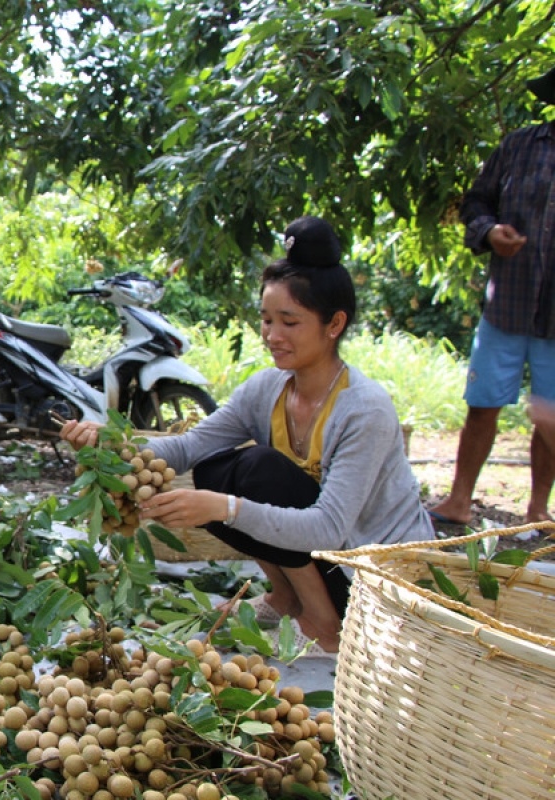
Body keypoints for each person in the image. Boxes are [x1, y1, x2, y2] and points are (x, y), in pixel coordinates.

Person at [61, 217, 431, 654]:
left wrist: (225, 508)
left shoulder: (364, 408)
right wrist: (114, 444)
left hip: (373, 581)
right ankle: (287, 597)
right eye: (266, 319)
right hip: (325, 559)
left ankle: (323, 623)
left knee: (255, 472)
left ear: (334, 325)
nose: (272, 336)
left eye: (289, 323)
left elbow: (330, 529)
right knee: (218, 467)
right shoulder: (266, 389)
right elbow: (186, 449)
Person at [427, 65, 555, 528]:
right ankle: (460, 499)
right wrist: (489, 232)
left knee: (551, 416)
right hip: (508, 305)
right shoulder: (520, 146)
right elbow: (475, 203)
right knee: (482, 404)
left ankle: (538, 509)